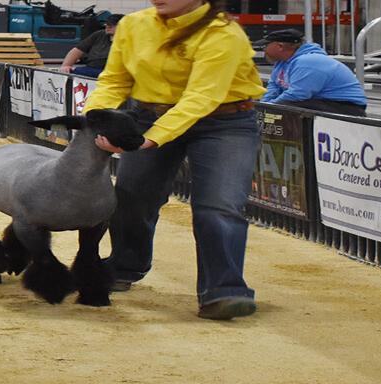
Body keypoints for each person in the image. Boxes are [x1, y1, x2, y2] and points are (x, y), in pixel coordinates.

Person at [84, 0, 265, 320]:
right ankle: (124, 265)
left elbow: (202, 97)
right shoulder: (132, 25)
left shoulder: (224, 33)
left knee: (219, 204)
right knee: (131, 196)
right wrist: (96, 118)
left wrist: (150, 139)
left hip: (224, 122)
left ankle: (224, 291)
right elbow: (115, 80)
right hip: (146, 112)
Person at [258, 28, 367, 116]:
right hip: (318, 102)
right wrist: (262, 106)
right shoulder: (281, 64)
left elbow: (297, 94)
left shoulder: (308, 61)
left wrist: (268, 107)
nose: (264, 50)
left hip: (345, 107)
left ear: (280, 46)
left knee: (286, 105)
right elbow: (273, 88)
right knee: (275, 106)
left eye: (265, 46)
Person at [59, 13, 123, 78]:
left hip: (113, 72)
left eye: (112, 25)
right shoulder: (99, 34)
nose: (108, 26)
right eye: (107, 24)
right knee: (71, 71)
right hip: (92, 69)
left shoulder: (128, 40)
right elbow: (77, 50)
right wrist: (66, 66)